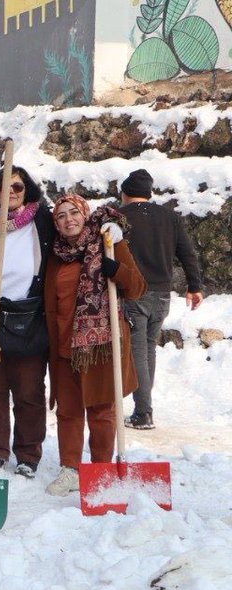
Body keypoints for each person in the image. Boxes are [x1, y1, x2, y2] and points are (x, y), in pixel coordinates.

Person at [44, 196, 146, 497]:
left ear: (84, 213)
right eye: (60, 216)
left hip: (101, 344)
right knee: (68, 411)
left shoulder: (109, 243)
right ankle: (70, 469)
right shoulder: (55, 254)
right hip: (63, 345)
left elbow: (138, 287)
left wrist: (117, 270)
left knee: (102, 410)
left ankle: (101, 468)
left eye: (73, 212)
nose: (68, 219)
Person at [0, 165, 54, 477]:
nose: (13, 191)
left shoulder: (43, 220)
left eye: (18, 186)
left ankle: (28, 453)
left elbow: (79, 222)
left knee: (29, 392)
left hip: (28, 318)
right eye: (6, 186)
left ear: (26, 189)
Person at [118, 169, 204, 430]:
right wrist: (195, 286)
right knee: (148, 349)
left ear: (124, 193)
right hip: (163, 295)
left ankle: (143, 413)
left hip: (135, 293)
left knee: (139, 353)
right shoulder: (169, 217)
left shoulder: (120, 217)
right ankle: (143, 408)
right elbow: (187, 253)